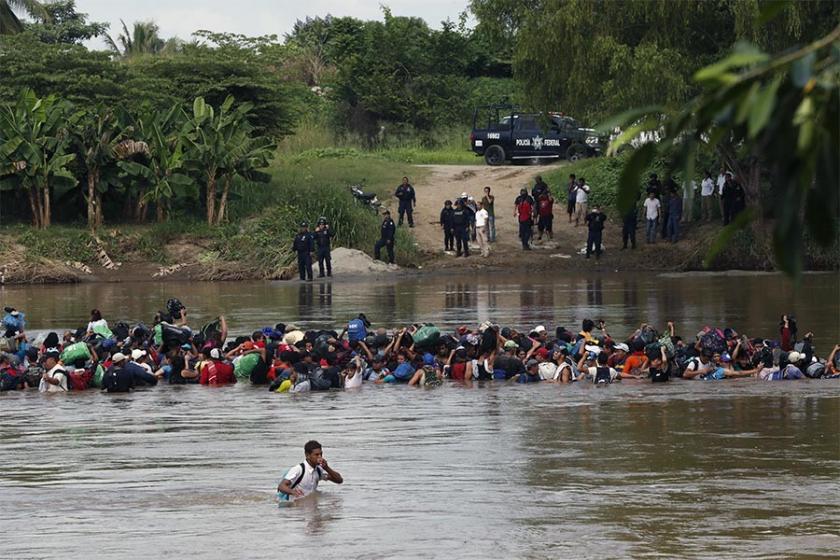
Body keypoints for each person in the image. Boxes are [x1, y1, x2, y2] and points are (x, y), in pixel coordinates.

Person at [277, 440, 343, 503]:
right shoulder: (298, 469)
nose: (320, 457)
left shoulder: (319, 470)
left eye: (321, 454)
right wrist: (293, 492)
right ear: (307, 455)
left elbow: (339, 480)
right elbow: (281, 486)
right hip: (294, 507)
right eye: (316, 455)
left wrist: (327, 468)